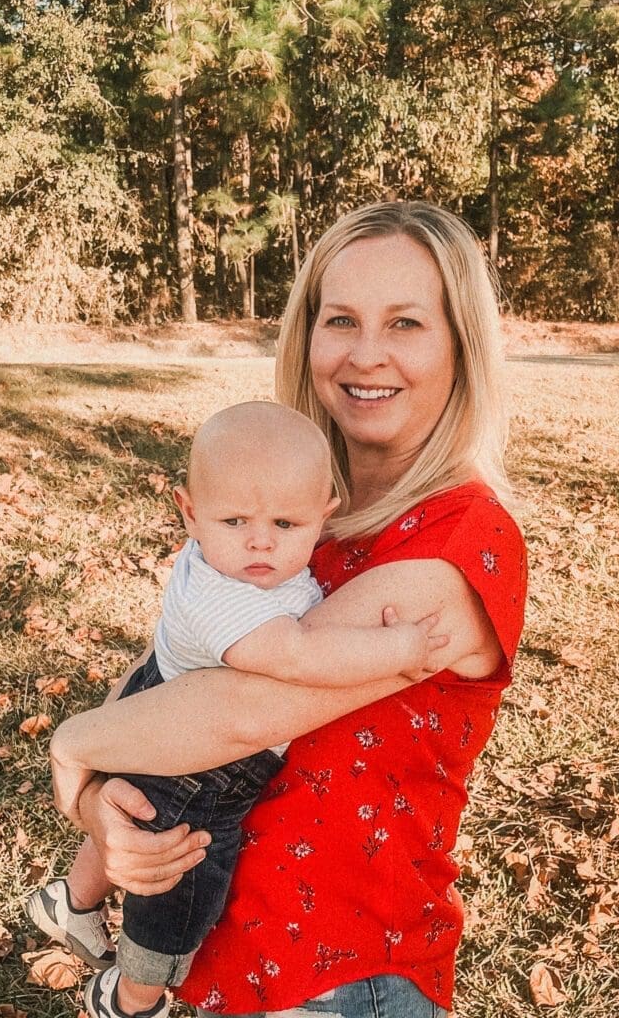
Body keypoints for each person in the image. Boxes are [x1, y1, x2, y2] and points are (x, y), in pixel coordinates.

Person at [48, 201, 528, 1018]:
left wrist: (73, 748)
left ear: (460, 347)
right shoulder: (290, 513)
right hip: (221, 950)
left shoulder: (461, 542)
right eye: (340, 319)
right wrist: (103, 806)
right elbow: (180, 661)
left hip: (337, 976)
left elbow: (233, 711)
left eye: (406, 322)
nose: (365, 354)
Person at [31, 400, 448, 1012]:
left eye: (285, 525)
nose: (259, 542)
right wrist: (398, 648)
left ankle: (73, 901)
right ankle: (133, 996)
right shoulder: (230, 598)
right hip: (202, 768)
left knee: (122, 803)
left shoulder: (215, 561)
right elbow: (299, 656)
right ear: (190, 513)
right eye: (234, 521)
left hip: (161, 695)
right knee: (181, 880)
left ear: (323, 518)